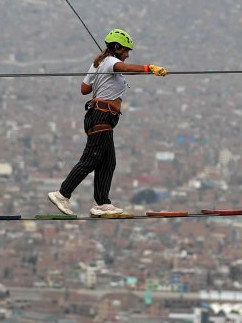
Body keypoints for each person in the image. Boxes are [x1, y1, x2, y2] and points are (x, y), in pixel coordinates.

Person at [48, 29, 167, 217]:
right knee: (90, 160)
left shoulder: (98, 64)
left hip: (102, 117)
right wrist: (149, 68)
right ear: (117, 47)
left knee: (108, 162)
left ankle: (102, 203)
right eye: (126, 50)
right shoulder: (111, 62)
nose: (127, 55)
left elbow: (84, 89)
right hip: (101, 116)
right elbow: (123, 68)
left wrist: (101, 75)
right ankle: (62, 194)